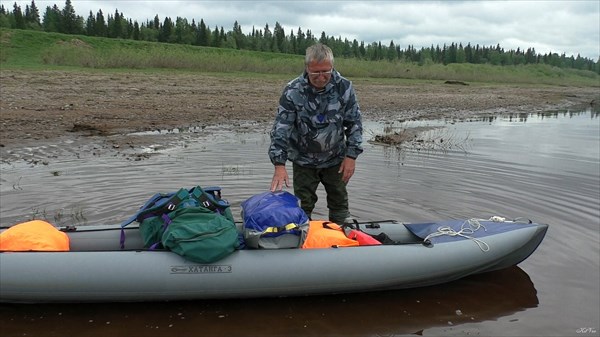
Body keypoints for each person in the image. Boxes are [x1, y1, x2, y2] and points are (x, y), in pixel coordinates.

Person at [268, 43, 363, 225]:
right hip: (303, 161)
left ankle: (341, 243)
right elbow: (282, 128)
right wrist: (279, 164)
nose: (321, 77)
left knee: (340, 207)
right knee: (302, 209)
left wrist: (352, 156)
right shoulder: (292, 91)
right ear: (307, 68)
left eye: (326, 71)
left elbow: (354, 123)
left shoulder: (344, 87)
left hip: (336, 160)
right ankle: (303, 244)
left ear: (332, 67)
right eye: (315, 73)